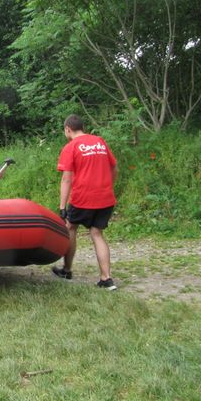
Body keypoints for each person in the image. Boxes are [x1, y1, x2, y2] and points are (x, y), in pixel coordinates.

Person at [53, 114, 119, 290]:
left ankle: (67, 270)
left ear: (68, 129)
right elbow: (114, 168)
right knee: (97, 234)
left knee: (70, 228)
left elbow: (66, 179)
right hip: (105, 197)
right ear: (82, 127)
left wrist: (62, 207)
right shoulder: (99, 141)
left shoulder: (71, 147)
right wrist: (107, 186)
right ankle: (106, 278)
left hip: (83, 197)